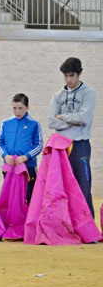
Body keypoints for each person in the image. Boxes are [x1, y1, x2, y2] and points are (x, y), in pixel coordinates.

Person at [48, 57, 96, 218]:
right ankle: (65, 225)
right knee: (61, 187)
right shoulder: (57, 95)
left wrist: (63, 117)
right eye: (66, 76)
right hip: (61, 146)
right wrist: (71, 120)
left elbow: (84, 118)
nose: (69, 80)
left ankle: (88, 228)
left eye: (72, 76)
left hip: (80, 145)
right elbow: (51, 121)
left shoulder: (88, 94)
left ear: (80, 73)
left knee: (83, 186)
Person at [0, 93, 43, 204]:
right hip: (10, 166)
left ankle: (30, 221)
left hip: (28, 167)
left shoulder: (34, 123)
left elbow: (39, 144)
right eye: (14, 108)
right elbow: (0, 143)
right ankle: (14, 221)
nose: (17, 111)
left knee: (30, 197)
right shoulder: (6, 123)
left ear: (27, 107)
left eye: (20, 108)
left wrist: (25, 157)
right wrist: (5, 155)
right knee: (11, 198)